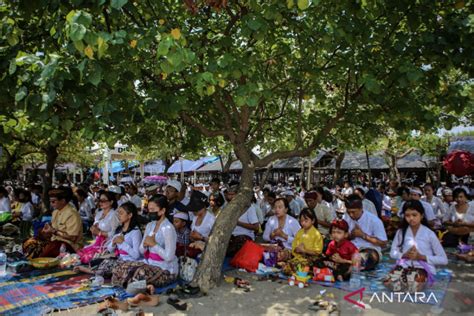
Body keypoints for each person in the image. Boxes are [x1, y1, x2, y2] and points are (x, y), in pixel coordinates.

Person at [111, 195, 178, 288]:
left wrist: (154, 245)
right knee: (121, 267)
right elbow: (141, 251)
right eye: (149, 209)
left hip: (166, 270)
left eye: (153, 209)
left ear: (162, 211)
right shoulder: (150, 225)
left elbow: (169, 257)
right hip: (150, 264)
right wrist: (145, 245)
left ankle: (143, 287)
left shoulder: (168, 228)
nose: (150, 212)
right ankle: (144, 287)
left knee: (138, 274)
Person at [386, 200, 447, 292]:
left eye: (414, 215)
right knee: (389, 284)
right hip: (405, 265)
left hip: (423, 267)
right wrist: (404, 255)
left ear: (421, 216)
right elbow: (392, 253)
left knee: (413, 287)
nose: (411, 218)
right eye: (407, 215)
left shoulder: (429, 234)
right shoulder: (401, 232)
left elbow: (443, 259)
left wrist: (421, 257)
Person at [75, 202, 142, 277]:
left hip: (131, 262)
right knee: (98, 261)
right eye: (118, 213)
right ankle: (92, 269)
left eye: (121, 213)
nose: (119, 216)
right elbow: (110, 249)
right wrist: (113, 243)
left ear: (130, 215)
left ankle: (90, 271)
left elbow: (136, 255)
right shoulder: (119, 230)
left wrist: (122, 243)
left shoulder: (135, 232)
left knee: (107, 266)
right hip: (120, 260)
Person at [23, 188, 83, 259]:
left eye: (53, 202)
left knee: (48, 251)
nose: (51, 204)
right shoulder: (55, 212)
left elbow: (72, 238)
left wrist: (53, 231)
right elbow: (53, 229)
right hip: (54, 241)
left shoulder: (72, 214)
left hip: (70, 245)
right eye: (50, 202)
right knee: (28, 242)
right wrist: (45, 231)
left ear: (63, 201)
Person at [343, 194, 387, 271]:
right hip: (350, 247)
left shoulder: (374, 220)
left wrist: (363, 235)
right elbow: (343, 237)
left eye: (353, 212)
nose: (351, 215)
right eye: (348, 212)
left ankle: (349, 268)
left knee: (362, 259)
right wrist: (351, 236)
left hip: (369, 249)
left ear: (361, 209)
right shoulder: (346, 217)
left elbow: (383, 243)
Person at [77, 191, 120, 264]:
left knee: (88, 257)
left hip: (108, 245)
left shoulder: (114, 215)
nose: (101, 203)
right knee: (80, 253)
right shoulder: (99, 213)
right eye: (100, 200)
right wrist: (93, 230)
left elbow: (115, 234)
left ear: (111, 202)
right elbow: (95, 233)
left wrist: (100, 232)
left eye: (103, 200)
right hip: (98, 242)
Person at [226, 183, 260, 257]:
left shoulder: (248, 207)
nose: (230, 197)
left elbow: (256, 227)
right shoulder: (227, 207)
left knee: (239, 242)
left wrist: (238, 223)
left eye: (233, 194)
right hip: (231, 236)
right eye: (229, 194)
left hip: (245, 236)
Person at [187, 191, 215, 256]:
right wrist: (192, 236)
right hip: (194, 249)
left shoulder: (211, 219)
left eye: (196, 209)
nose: (193, 211)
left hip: (206, 252)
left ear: (204, 207)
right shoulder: (195, 218)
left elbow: (215, 240)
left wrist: (201, 238)